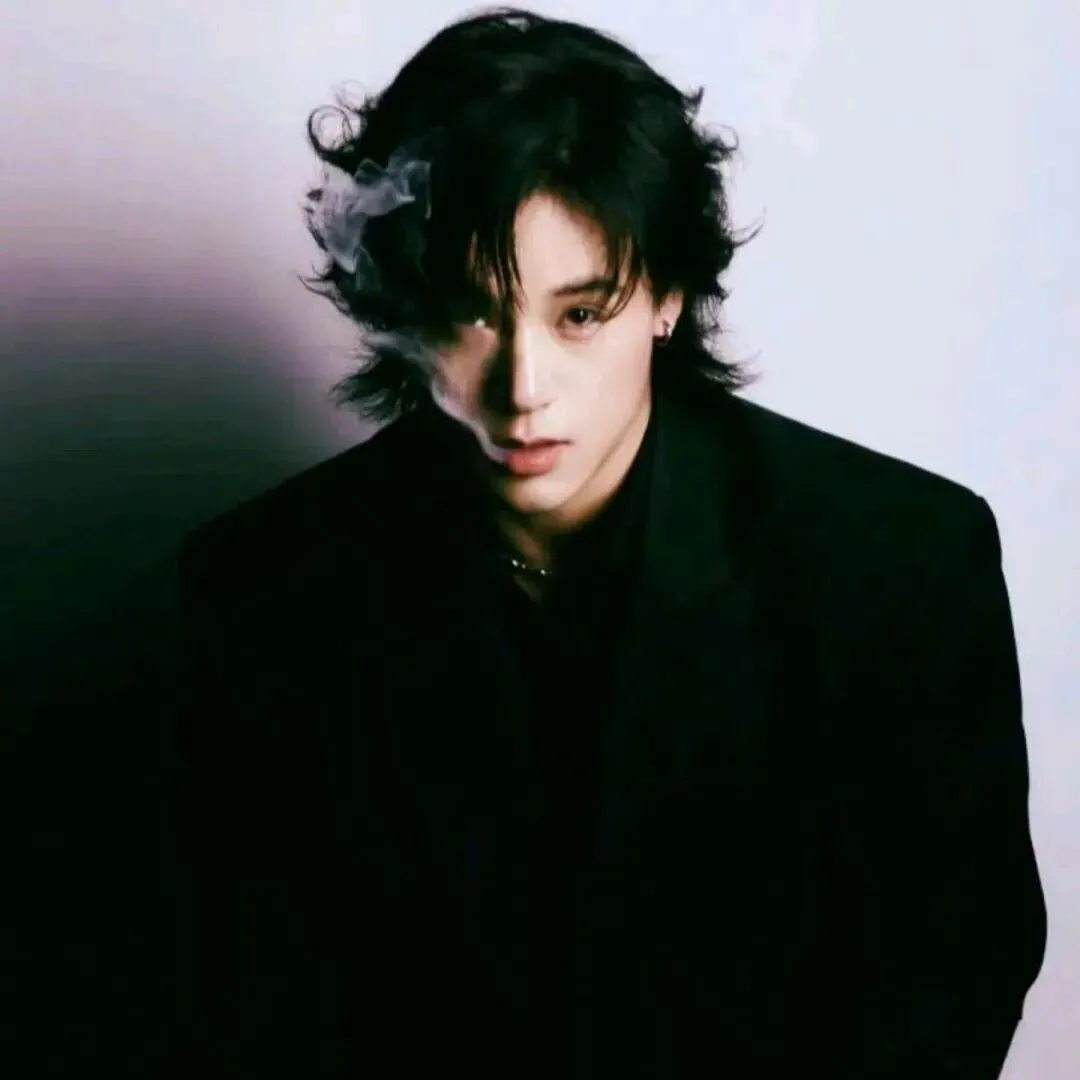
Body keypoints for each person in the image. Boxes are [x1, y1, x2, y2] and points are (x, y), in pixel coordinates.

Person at [11, 7, 1046, 1077]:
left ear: (666, 296)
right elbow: (210, 990)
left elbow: (954, 966)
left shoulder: (895, 562)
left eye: (579, 314)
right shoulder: (257, 593)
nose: (524, 385)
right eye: (473, 311)